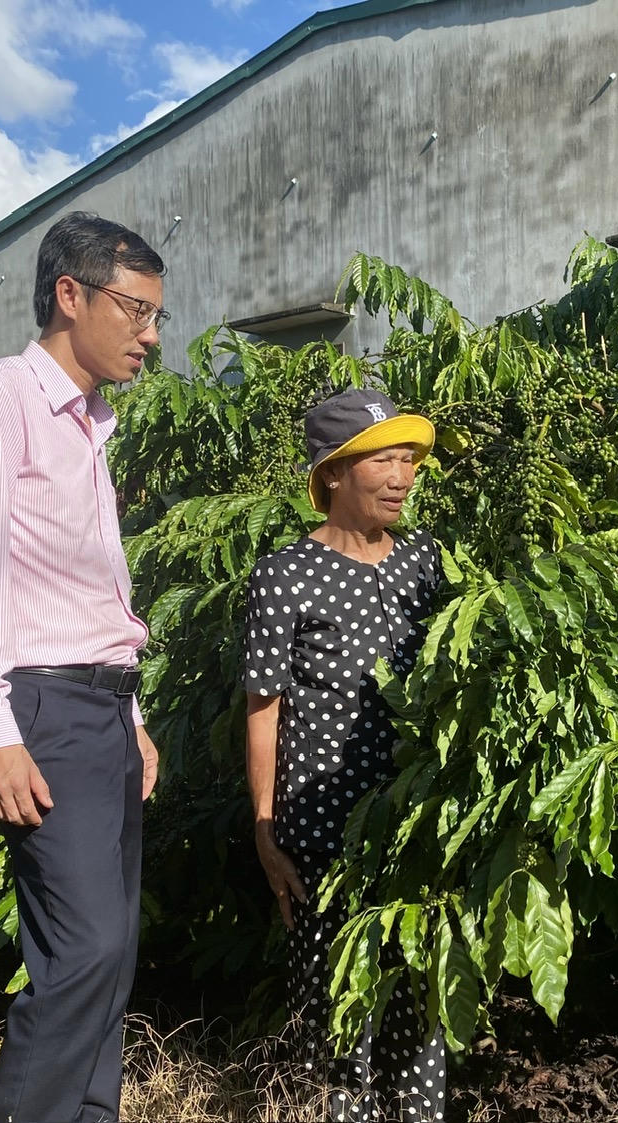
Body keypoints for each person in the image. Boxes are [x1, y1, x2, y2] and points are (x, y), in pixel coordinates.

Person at [0, 211, 165, 1123]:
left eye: (155, 315)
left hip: (100, 711)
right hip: (42, 711)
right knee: (85, 951)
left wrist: (130, 717)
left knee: (111, 958)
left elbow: (77, 594)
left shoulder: (90, 426)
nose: (148, 334)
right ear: (70, 294)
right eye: (133, 309)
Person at [243, 388, 445, 1122]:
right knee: (339, 1025)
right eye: (381, 459)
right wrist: (266, 827)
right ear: (332, 473)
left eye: (408, 459)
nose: (401, 476)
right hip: (323, 834)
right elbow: (263, 708)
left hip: (415, 827)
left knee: (420, 1011)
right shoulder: (285, 575)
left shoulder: (426, 560)